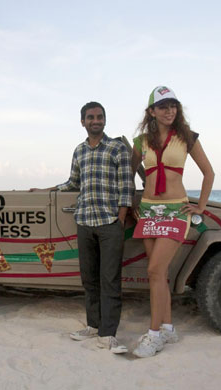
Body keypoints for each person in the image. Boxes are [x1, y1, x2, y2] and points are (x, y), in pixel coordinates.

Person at [31, 102, 134, 354]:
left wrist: (120, 219)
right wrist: (47, 191)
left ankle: (108, 334)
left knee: (110, 280)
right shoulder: (79, 151)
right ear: (83, 122)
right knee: (89, 279)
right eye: (90, 117)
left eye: (99, 117)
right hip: (85, 222)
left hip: (110, 223)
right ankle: (93, 325)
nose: (95, 120)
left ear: (105, 120)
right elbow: (72, 182)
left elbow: (126, 187)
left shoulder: (117, 148)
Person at [130, 86, 215, 358]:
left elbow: (209, 173)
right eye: (163, 106)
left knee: (155, 271)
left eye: (173, 106)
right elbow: (129, 175)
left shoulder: (187, 138)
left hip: (176, 210)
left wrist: (200, 206)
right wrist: (132, 203)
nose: (169, 111)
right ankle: (167, 328)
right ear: (152, 111)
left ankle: (153, 335)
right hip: (148, 210)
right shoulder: (141, 142)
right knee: (159, 274)